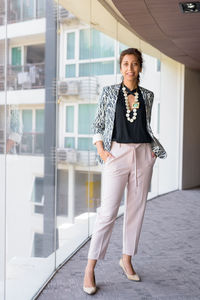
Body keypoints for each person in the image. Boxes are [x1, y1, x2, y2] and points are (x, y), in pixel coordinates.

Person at [83, 48, 167, 295]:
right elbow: (98, 123)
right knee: (107, 212)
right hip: (116, 155)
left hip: (143, 154)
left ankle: (126, 258)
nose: (129, 68)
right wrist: (101, 149)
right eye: (125, 64)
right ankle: (90, 268)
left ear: (140, 67)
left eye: (134, 64)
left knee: (136, 210)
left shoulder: (148, 96)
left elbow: (145, 125)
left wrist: (150, 152)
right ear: (120, 67)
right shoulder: (109, 93)